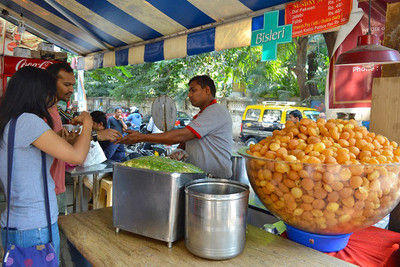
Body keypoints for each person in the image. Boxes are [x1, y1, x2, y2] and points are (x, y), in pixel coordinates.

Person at [0, 66, 93, 259]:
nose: (52, 98)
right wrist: (88, 123)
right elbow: (77, 156)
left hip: (17, 223)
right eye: (49, 92)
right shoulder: (28, 122)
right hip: (35, 227)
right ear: (37, 93)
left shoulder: (10, 121)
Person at [117, 75, 233, 178]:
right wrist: (179, 150)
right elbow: (186, 140)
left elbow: (183, 135)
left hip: (214, 179)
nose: (189, 95)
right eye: (189, 91)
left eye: (193, 90)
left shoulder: (215, 111)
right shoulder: (201, 115)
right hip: (201, 177)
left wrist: (140, 137)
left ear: (207, 90)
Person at [46, 63, 122, 214]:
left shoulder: (55, 109)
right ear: (49, 82)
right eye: (66, 84)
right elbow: (74, 156)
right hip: (48, 188)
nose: (71, 90)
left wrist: (77, 138)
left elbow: (59, 142)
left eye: (72, 85)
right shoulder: (41, 112)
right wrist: (93, 133)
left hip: (57, 183)